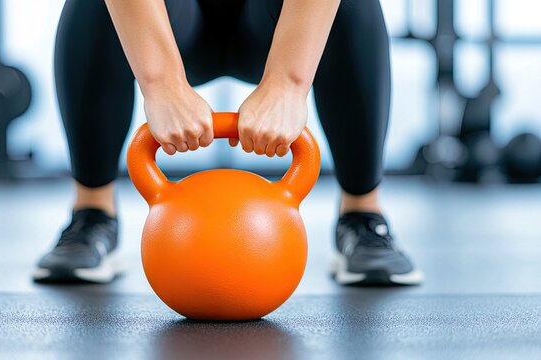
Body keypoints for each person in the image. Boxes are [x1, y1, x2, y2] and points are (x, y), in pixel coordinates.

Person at [33, 0, 424, 286]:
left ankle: (361, 215)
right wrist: (161, 83)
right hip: (173, 22)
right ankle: (93, 212)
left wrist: (288, 83)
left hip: (274, 21)